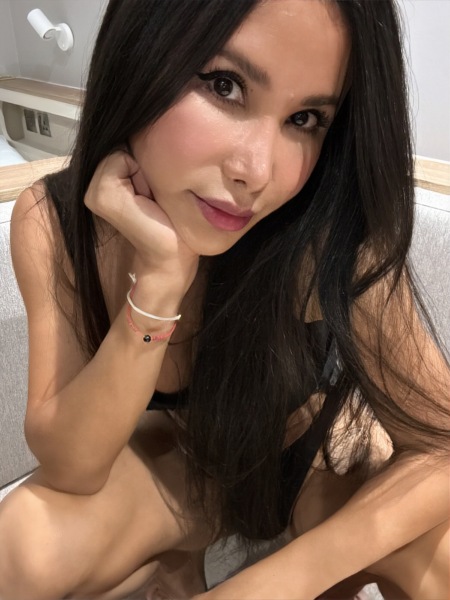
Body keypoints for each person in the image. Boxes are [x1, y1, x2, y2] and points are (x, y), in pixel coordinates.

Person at [0, 0, 448, 598]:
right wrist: (158, 285)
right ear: (141, 54)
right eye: (224, 85)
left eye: (306, 118)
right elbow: (72, 467)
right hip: (189, 474)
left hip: (317, 458)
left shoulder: (329, 234)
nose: (256, 172)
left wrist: (277, 582)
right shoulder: (54, 221)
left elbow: (442, 441)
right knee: (20, 549)